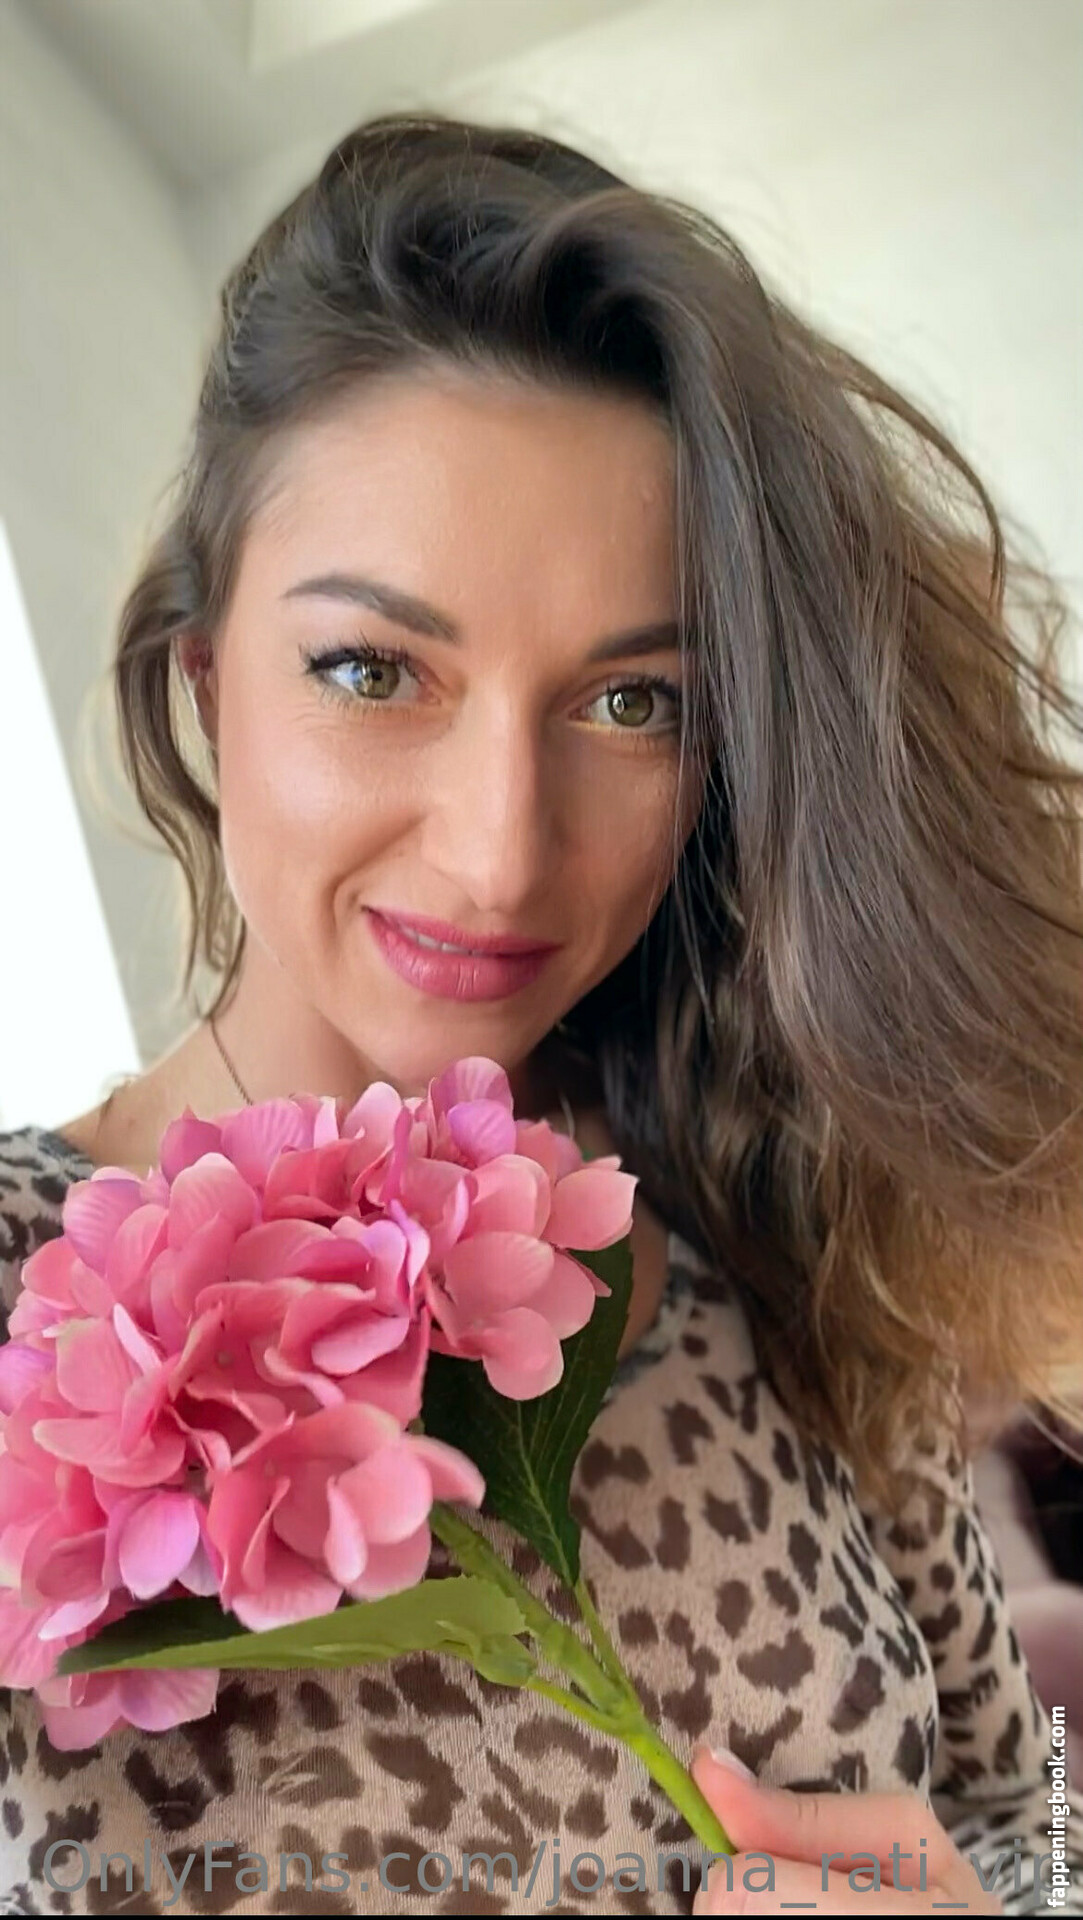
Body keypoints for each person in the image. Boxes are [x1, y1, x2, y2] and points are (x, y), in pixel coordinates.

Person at [1, 110, 1081, 1917]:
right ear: (202, 685)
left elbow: (1018, 1807)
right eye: (373, 670)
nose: (504, 854)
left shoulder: (771, 1234)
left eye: (633, 704)